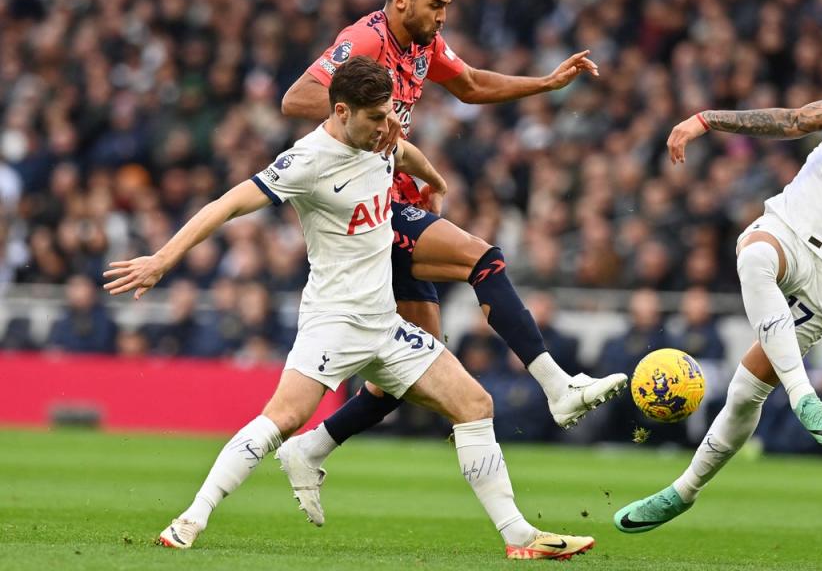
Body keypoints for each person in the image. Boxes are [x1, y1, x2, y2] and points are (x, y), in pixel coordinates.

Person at [103, 58, 594, 560]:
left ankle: (519, 538)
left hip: (384, 323)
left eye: (389, 116)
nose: (387, 128)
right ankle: (191, 518)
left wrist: (436, 183)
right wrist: (162, 260)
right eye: (377, 118)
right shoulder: (307, 161)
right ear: (341, 111)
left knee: (475, 406)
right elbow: (225, 206)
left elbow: (402, 152)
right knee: (285, 417)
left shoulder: (378, 136)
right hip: (333, 322)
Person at [278, 0, 625, 517]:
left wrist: (546, 83)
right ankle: (558, 386)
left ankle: (311, 448)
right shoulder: (363, 41)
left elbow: (470, 84)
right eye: (436, 5)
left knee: (413, 367)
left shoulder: (423, 46)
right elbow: (297, 99)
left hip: (394, 199)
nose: (443, 17)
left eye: (448, 7)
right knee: (483, 259)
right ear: (401, 0)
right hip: (370, 208)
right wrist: (376, 115)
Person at [615, 8, 822, 533]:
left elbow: (799, 121)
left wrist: (708, 118)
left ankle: (684, 491)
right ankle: (803, 394)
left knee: (746, 391)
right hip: (793, 229)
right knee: (753, 253)